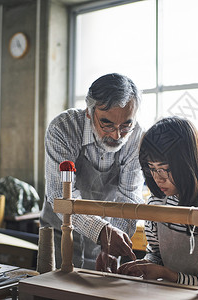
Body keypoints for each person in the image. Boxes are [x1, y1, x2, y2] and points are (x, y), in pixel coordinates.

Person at [118, 117, 198, 299]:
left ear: (188, 164)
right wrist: (145, 267)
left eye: (165, 169)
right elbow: (156, 255)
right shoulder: (157, 204)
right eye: (152, 169)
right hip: (170, 294)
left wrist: (168, 275)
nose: (158, 178)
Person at [40, 73, 144, 271]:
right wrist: (102, 232)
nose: (116, 135)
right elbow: (59, 196)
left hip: (108, 237)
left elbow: (129, 197)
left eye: (125, 125)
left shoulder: (136, 137)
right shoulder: (64, 128)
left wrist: (113, 243)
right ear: (89, 111)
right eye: (107, 123)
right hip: (59, 232)